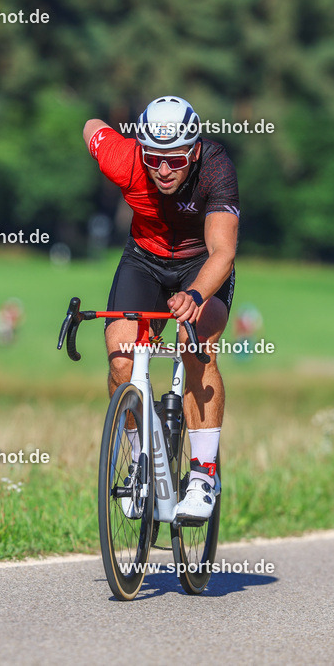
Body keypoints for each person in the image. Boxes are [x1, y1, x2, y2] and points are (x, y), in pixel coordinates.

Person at [84, 96, 239, 521]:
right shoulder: (125, 158)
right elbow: (91, 125)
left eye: (175, 159)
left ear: (193, 150)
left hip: (200, 263)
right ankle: (140, 460)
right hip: (144, 260)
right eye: (154, 158)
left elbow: (222, 253)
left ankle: (204, 475)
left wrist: (195, 296)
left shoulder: (216, 166)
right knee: (120, 354)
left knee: (196, 344)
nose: (164, 170)